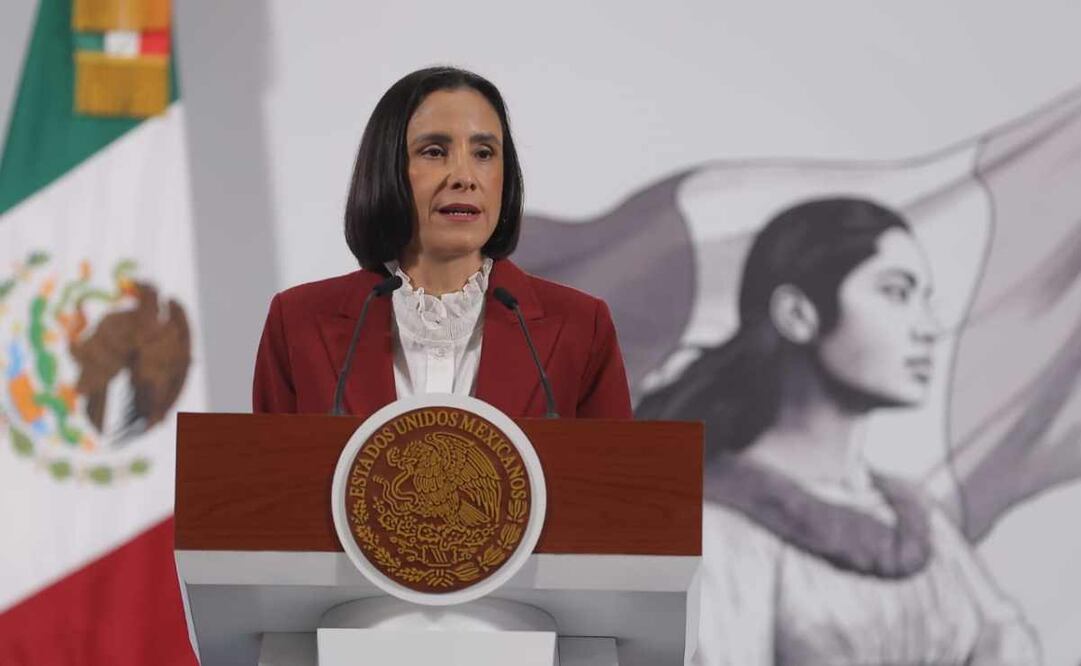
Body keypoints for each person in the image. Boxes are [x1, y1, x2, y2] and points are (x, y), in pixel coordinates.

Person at [636, 198, 1039, 665]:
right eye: (895, 292)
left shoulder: (919, 521)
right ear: (798, 314)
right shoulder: (716, 527)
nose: (928, 328)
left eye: (925, 299)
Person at [253, 66, 631, 420]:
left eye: (484, 153)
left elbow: (616, 484)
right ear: (387, 169)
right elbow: (268, 480)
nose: (464, 177)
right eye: (434, 151)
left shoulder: (580, 327)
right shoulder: (299, 322)